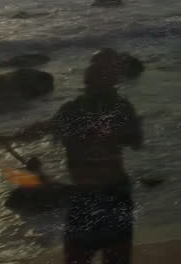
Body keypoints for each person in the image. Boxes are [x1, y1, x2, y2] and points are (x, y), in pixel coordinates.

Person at [52, 49, 144, 264]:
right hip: (105, 194)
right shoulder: (121, 108)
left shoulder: (72, 109)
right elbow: (136, 142)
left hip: (97, 194)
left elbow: (135, 140)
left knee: (80, 258)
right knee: (111, 257)